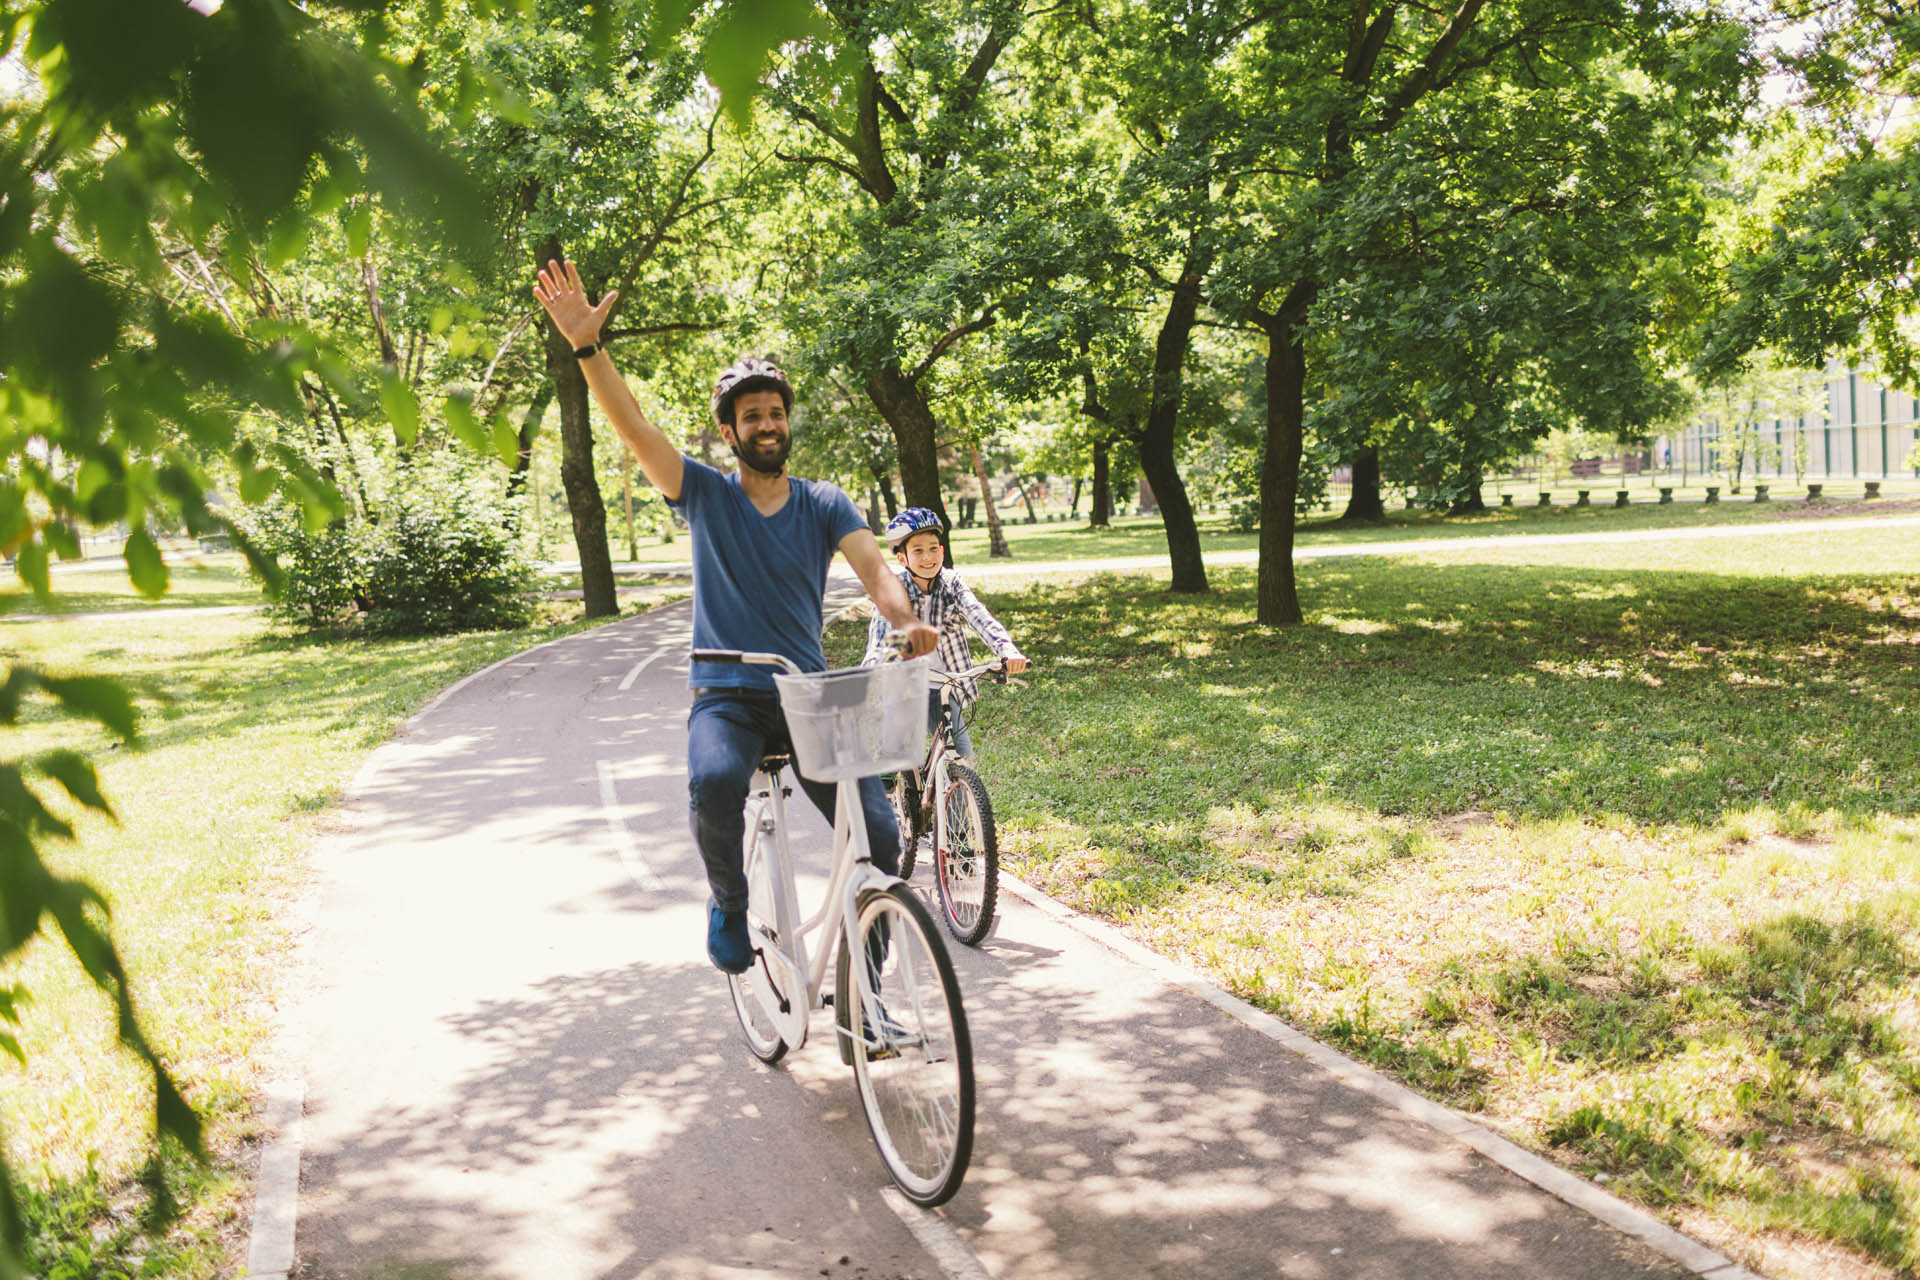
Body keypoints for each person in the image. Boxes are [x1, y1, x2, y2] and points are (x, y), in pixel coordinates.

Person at [530, 259, 937, 974]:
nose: (768, 424)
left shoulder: (824, 502)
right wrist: (587, 346)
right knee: (715, 783)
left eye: (776, 412)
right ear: (729, 431)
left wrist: (904, 623)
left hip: (807, 697)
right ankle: (728, 900)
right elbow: (632, 428)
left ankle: (869, 989)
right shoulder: (704, 494)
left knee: (877, 829)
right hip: (725, 695)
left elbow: (876, 572)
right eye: (752, 416)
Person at [862, 507, 1027, 763]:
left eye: (933, 548)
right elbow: (882, 634)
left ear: (942, 550)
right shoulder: (892, 588)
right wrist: (875, 664)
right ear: (903, 559)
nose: (928, 557)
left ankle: (953, 796)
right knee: (893, 758)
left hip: (941, 685)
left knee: (961, 756)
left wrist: (1007, 650)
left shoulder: (952, 584)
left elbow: (979, 616)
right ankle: (891, 796)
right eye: (918, 550)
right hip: (900, 683)